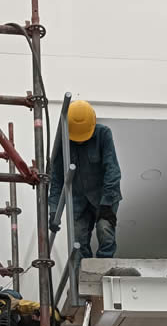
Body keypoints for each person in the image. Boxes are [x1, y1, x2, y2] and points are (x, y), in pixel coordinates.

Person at [49, 100, 122, 259]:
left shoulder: (103, 134)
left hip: (103, 195)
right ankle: (83, 272)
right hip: (78, 200)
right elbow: (56, 181)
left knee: (104, 228)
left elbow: (113, 170)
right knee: (78, 239)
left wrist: (107, 203)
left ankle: (104, 266)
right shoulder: (63, 144)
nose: (80, 140)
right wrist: (54, 211)